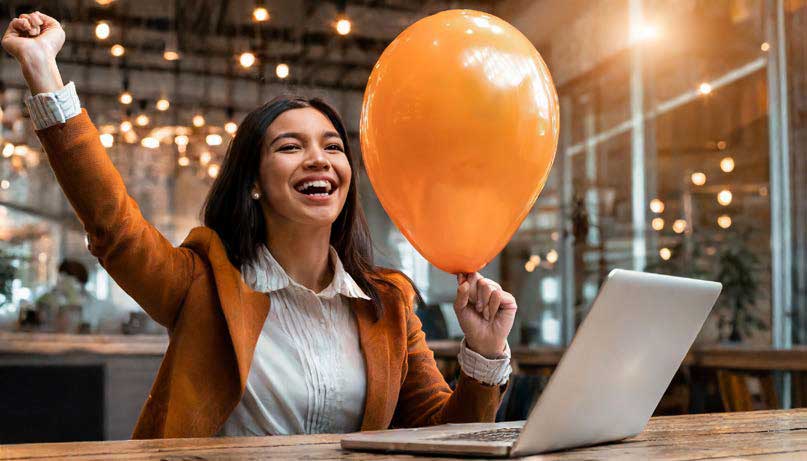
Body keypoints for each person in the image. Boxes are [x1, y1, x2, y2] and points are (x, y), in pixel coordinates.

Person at [2, 12, 519, 439]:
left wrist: (485, 351)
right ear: (253, 182)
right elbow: (113, 224)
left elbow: (444, 435)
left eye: (333, 146)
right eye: (290, 147)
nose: (319, 159)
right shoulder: (201, 283)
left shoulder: (390, 302)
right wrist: (43, 70)